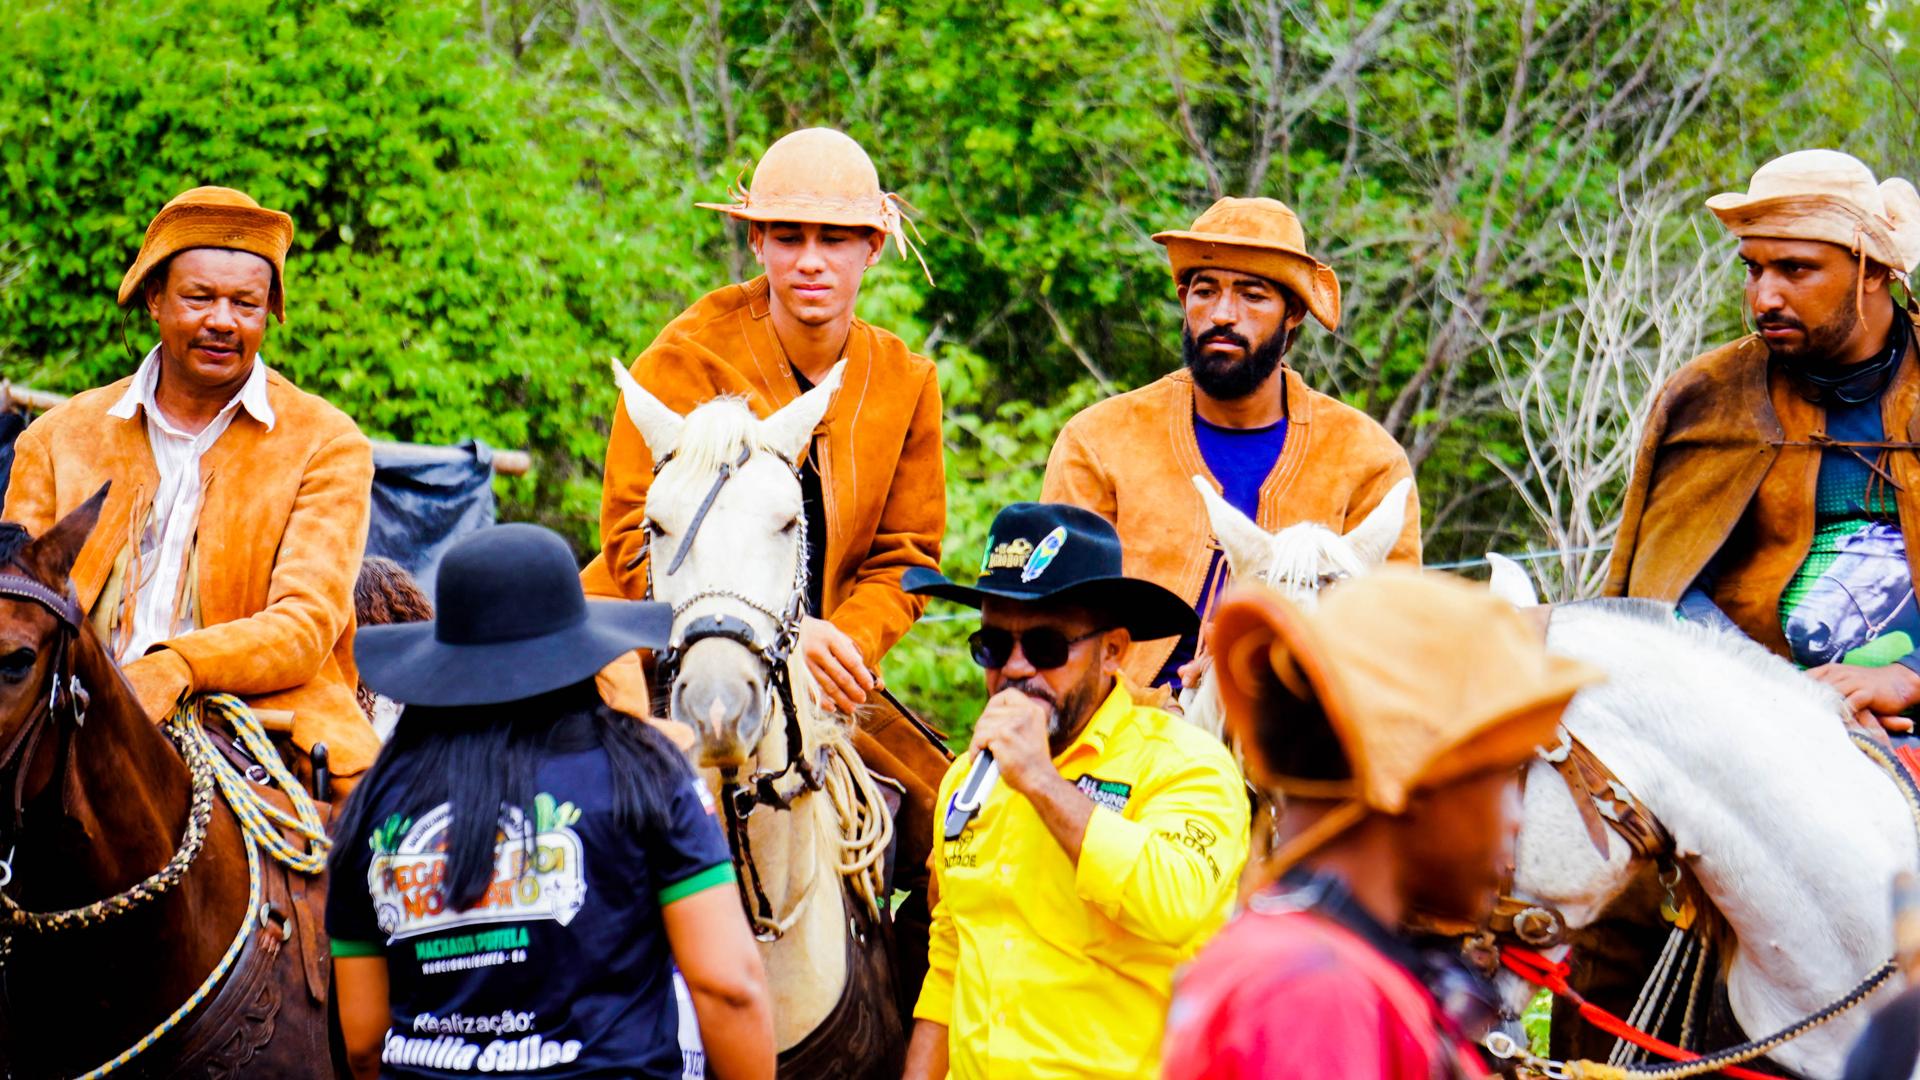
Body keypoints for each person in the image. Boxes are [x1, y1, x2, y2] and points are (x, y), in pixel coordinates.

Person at [588, 126, 952, 1013]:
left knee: (959, 830)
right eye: (788, 236)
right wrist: (779, 628)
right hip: (663, 652)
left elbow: (907, 554)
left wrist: (844, 641)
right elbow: (631, 537)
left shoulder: (904, 380)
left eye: (835, 239)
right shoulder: (683, 358)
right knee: (588, 819)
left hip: (824, 673)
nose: (810, 260)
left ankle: (908, 1031)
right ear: (757, 241)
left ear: (873, 247)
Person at [329, 524, 775, 1080]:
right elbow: (728, 988)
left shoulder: (375, 804)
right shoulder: (645, 772)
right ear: (581, 647)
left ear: (444, 661)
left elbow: (363, 1041)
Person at [1, 185, 381, 789]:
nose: (222, 321)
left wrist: (179, 666)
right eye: (200, 297)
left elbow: (306, 623)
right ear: (155, 298)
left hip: (266, 729)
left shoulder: (326, 443)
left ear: (268, 312)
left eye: (246, 304)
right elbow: (15, 608)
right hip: (67, 728)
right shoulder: (57, 438)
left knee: (374, 837)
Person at [1160, 572, 1599, 1079]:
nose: (1517, 819)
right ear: (1409, 775)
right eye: (1501, 776)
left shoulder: (1305, 960)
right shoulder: (1316, 996)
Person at [899, 502, 1249, 1079]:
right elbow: (951, 961)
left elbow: (1175, 904)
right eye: (993, 645)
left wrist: (1039, 780)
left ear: (1113, 651)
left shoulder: (1186, 764)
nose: (1015, 669)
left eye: (1046, 647)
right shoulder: (968, 779)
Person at [1043, 196, 1420, 692]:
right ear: (1184, 302)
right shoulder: (1099, 441)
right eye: (1205, 291)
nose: (1223, 314)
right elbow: (1054, 628)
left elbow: (1394, 643)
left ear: (1293, 313)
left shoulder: (1367, 459)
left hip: (1301, 721)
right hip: (1121, 727)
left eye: (1252, 295)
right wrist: (1159, 708)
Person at [1608, 150, 1920, 733]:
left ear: (1874, 271)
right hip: (1745, 727)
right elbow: (1665, 594)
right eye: (1754, 269)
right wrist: (1782, 698)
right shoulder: (1711, 396)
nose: (1765, 298)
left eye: (1796, 269)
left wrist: (1908, 676)